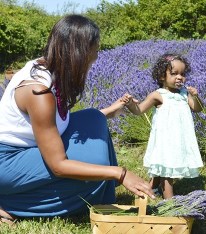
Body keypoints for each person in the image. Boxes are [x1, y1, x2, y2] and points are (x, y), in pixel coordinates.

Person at [0, 14, 154, 226]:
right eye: (95, 50)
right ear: (79, 53)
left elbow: (61, 121)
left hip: (27, 150)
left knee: (94, 117)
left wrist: (112, 111)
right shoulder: (39, 92)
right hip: (7, 161)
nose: (96, 57)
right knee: (94, 174)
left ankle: (100, 188)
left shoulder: (48, 68)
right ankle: (10, 204)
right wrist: (120, 173)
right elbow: (58, 165)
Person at [123, 53, 204, 199]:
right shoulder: (158, 95)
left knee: (166, 164)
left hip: (180, 138)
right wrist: (129, 104)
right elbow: (139, 110)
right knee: (168, 168)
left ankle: (151, 188)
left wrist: (195, 96)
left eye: (182, 74)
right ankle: (169, 201)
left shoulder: (184, 94)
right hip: (165, 139)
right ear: (162, 76)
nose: (180, 77)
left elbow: (197, 109)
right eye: (174, 74)